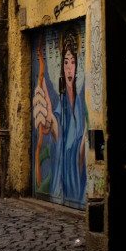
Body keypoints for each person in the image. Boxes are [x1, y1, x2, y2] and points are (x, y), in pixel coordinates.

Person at [33, 26, 88, 206]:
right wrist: (47, 120)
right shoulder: (61, 102)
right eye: (66, 62)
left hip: (77, 183)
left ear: (77, 64)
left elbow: (82, 143)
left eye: (72, 62)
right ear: (62, 66)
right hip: (63, 178)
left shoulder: (81, 102)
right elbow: (54, 122)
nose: (69, 68)